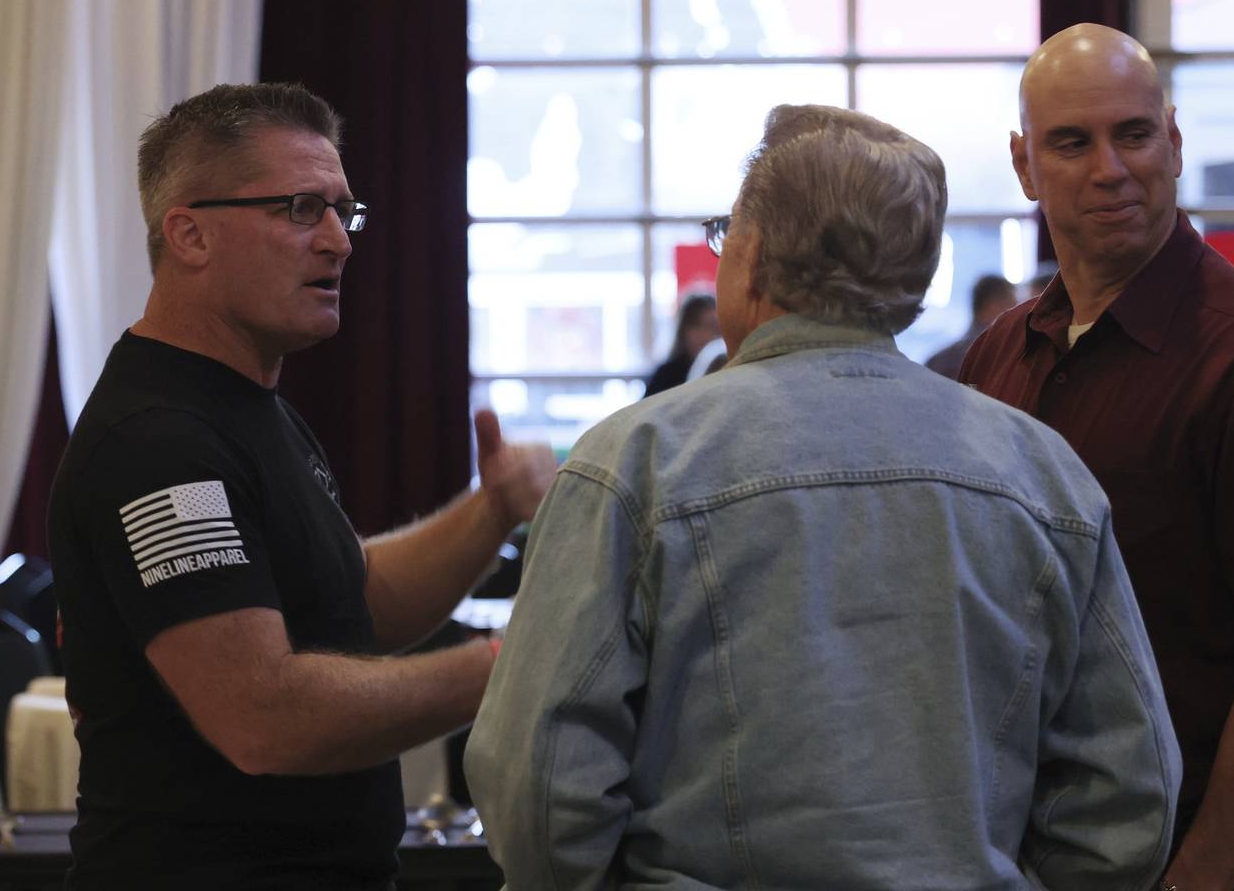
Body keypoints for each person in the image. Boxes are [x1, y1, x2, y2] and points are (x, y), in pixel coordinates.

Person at [465, 103, 1180, 890]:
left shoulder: (634, 466)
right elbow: (1130, 794)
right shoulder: (1045, 476)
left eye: (721, 234)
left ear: (756, 256)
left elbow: (537, 791)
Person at [46, 82, 557, 889]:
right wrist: (507, 666)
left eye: (343, 213)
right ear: (190, 234)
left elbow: (351, 602)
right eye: (299, 209)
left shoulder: (245, 404)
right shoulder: (156, 440)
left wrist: (489, 511)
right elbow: (264, 715)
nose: (339, 243)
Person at [961, 24, 1234, 890]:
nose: (1111, 168)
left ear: (1174, 143)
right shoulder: (998, 359)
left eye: (1134, 134)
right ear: (1024, 166)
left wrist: (1193, 881)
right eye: (1072, 143)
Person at [924, 273, 1017, 378]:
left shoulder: (937, 361)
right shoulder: (1002, 361)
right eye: (1013, 307)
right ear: (993, 307)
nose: (1019, 317)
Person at [643, 292, 720, 396]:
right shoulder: (665, 375)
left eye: (711, 327)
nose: (703, 334)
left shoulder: (723, 373)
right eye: (696, 325)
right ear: (683, 329)